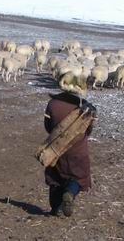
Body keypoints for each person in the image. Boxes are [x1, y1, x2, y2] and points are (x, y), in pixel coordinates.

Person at [43, 75, 97, 217]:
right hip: (78, 149)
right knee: (79, 177)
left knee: (55, 178)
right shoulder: (85, 108)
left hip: (56, 148)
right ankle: (70, 193)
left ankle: (55, 209)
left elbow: (48, 126)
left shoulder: (52, 104)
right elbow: (88, 130)